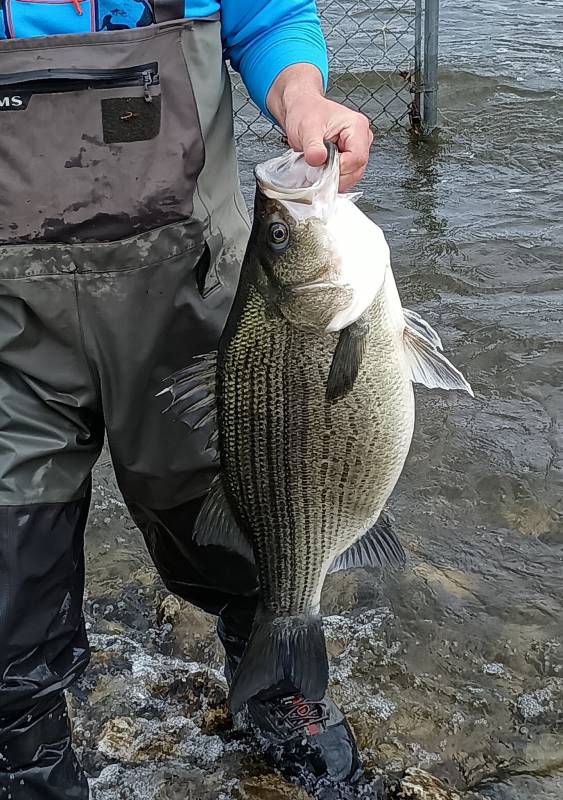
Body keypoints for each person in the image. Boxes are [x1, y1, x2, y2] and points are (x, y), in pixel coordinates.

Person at [0, 1, 372, 797]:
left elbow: (269, 19)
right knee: (8, 562)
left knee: (239, 520)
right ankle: (24, 750)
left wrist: (302, 99)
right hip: (8, 325)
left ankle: (274, 685)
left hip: (192, 303)